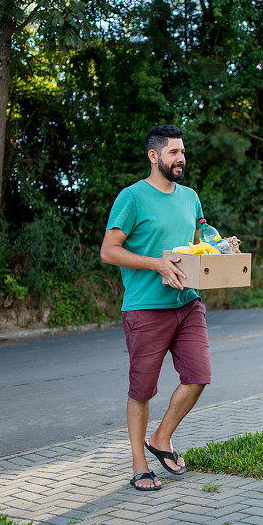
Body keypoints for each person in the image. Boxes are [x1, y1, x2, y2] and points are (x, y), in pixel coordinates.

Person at [99, 124, 211, 491]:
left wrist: (221, 248)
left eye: (182, 151)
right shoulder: (132, 197)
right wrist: (157, 263)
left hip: (187, 302)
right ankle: (138, 462)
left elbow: (197, 245)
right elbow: (109, 251)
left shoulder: (190, 197)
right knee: (142, 390)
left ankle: (161, 438)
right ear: (154, 156)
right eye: (173, 153)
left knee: (198, 375)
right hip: (145, 307)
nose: (181, 158)